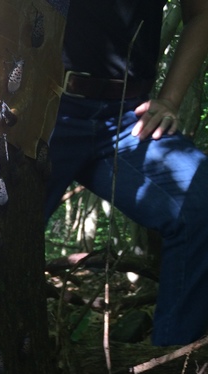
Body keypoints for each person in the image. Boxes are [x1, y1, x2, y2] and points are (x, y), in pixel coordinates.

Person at [45, 0, 208, 346]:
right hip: (42, 102)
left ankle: (172, 365)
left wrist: (171, 99)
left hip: (128, 117)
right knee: (1, 234)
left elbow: (202, 12)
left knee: (200, 203)